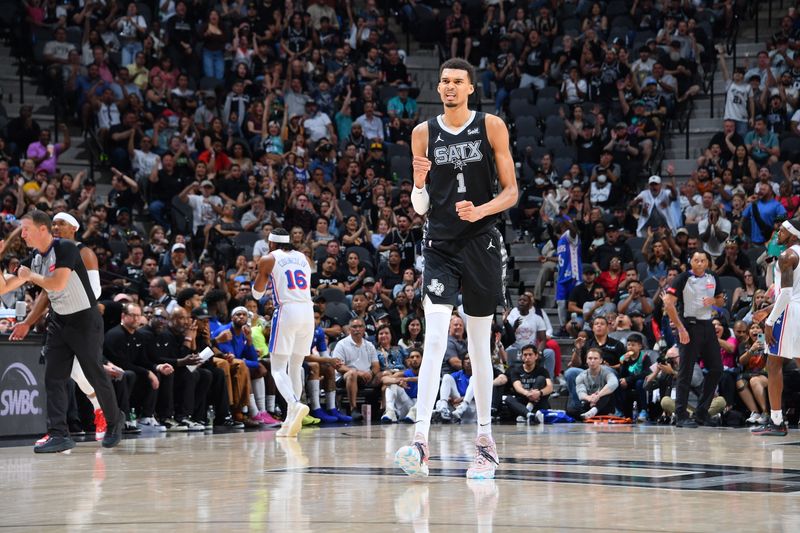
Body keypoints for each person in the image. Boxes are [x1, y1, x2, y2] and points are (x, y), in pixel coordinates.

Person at [395, 58, 517, 480]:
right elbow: (420, 207)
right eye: (444, 81)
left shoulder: (491, 125)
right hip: (440, 247)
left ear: (470, 88)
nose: (448, 87)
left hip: (482, 243)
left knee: (479, 347)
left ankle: (485, 443)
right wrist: (417, 183)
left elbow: (512, 192)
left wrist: (479, 210)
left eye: (456, 82)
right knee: (433, 342)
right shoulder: (422, 134)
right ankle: (419, 442)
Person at [0, 210, 122, 452]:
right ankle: (59, 434)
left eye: (26, 229)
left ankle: (115, 421)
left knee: (94, 373)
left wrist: (30, 276)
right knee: (54, 378)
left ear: (42, 230)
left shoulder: (66, 248)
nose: (22, 234)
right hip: (59, 321)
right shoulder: (34, 257)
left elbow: (57, 283)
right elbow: (3, 288)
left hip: (84, 320)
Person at [251, 227, 314, 437]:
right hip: (308, 311)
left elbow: (257, 294)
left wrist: (259, 276)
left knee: (278, 368)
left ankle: (294, 404)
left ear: (271, 243)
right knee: (295, 367)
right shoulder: (303, 257)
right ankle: (289, 421)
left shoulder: (268, 258)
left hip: (287, 311)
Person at [663, 251, 725, 428]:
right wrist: (680, 328)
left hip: (707, 326)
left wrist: (714, 300)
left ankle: (701, 413)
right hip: (688, 326)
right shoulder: (683, 278)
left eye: (702, 260)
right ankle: (681, 415)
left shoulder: (713, 277)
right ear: (690, 262)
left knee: (716, 369)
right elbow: (668, 303)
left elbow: (721, 301)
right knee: (685, 371)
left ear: (708, 263)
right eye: (696, 260)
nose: (699, 263)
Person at [755, 220, 800, 436]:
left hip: (789, 314)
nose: (777, 234)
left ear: (792, 234)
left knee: (773, 364)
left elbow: (787, 294)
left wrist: (770, 321)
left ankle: (776, 421)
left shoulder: (787, 256)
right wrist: (768, 310)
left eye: (781, 230)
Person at [504, 344, 551, 425]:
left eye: (530, 354)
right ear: (522, 357)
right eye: (525, 355)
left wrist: (539, 393)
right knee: (508, 399)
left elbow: (550, 387)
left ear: (536, 356)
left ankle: (526, 412)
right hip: (523, 400)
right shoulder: (516, 370)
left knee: (541, 379)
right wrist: (528, 394)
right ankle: (529, 414)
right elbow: (517, 386)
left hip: (538, 400)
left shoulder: (542, 370)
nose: (527, 357)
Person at [568, 347, 619, 420]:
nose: (592, 361)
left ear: (601, 360)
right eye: (590, 358)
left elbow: (614, 383)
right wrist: (589, 398)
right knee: (570, 411)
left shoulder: (607, 373)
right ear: (586, 360)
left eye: (595, 358)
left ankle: (594, 412)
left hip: (604, 404)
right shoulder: (581, 376)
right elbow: (581, 393)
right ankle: (590, 414)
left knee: (608, 393)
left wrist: (598, 395)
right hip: (590, 403)